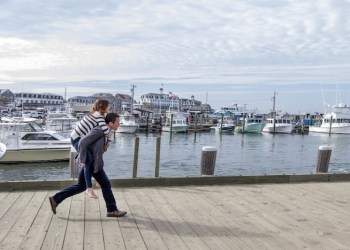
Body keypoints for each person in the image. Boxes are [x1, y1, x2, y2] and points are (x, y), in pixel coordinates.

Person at [49, 113, 127, 217]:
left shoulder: (106, 132)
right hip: (91, 164)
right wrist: (84, 160)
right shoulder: (99, 131)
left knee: (81, 186)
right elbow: (82, 142)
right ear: (110, 123)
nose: (119, 124)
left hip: (93, 163)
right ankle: (112, 209)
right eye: (117, 122)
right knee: (106, 184)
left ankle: (55, 199)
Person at [71, 99, 111, 199]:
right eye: (108, 106)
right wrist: (109, 140)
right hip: (77, 139)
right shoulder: (98, 115)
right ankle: (89, 188)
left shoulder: (98, 115)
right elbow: (106, 131)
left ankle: (91, 182)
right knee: (87, 161)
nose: (109, 108)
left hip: (82, 139)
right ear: (103, 107)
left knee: (89, 160)